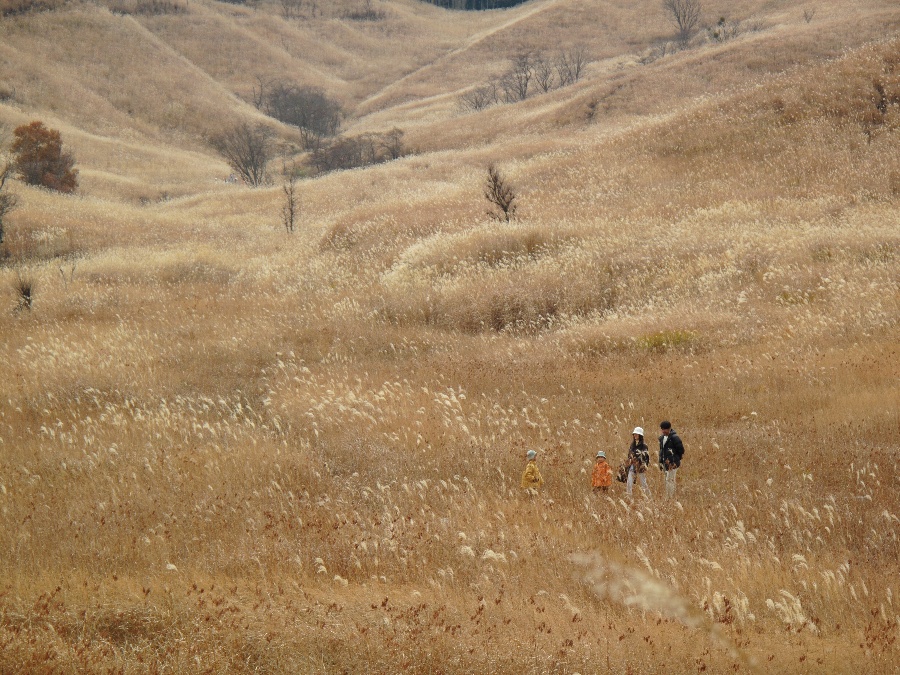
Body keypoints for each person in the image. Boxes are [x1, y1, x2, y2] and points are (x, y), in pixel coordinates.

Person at [658, 421, 684, 499]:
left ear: (669, 429)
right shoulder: (662, 438)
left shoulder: (675, 438)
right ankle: (668, 496)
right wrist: (661, 462)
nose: (663, 431)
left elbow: (681, 450)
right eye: (662, 429)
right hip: (665, 463)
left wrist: (675, 459)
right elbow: (662, 451)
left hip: (673, 463)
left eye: (664, 429)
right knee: (667, 480)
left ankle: (670, 497)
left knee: (670, 480)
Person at [626, 427, 651, 499]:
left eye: (637, 434)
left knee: (643, 483)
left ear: (640, 435)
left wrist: (642, 464)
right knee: (629, 483)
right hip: (632, 466)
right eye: (634, 434)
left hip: (640, 467)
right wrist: (630, 460)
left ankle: (648, 497)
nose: (635, 436)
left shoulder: (644, 446)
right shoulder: (632, 445)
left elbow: (646, 457)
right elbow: (629, 454)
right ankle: (629, 497)